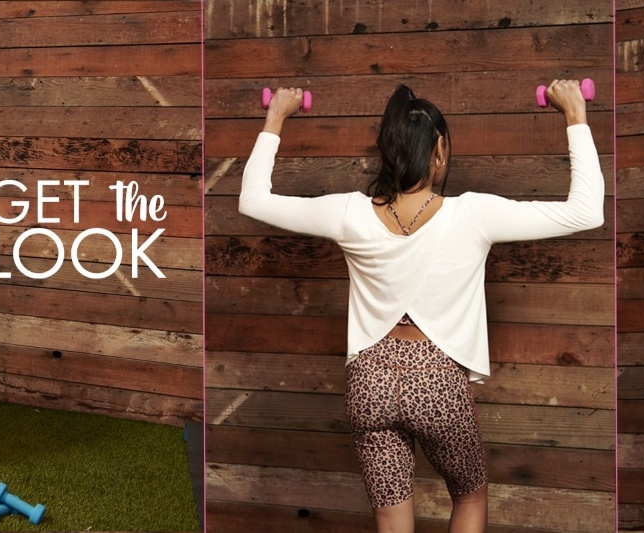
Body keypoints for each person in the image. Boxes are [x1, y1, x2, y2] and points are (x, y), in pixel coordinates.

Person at [238, 83, 603, 532]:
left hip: (369, 382)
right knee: (470, 495)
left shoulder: (349, 212)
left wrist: (276, 117)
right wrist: (574, 115)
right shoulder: (472, 214)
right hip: (437, 382)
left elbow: (252, 200)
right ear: (440, 151)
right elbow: (587, 211)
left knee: (393, 520)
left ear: (386, 153)